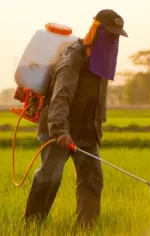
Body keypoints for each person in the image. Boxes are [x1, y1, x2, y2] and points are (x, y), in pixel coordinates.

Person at [23, 9, 128, 229]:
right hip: (59, 128)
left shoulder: (102, 61)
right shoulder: (73, 59)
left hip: (86, 131)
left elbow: (98, 100)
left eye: (116, 35)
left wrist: (97, 128)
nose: (113, 38)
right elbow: (61, 97)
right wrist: (61, 130)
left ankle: (85, 229)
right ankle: (31, 226)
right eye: (109, 33)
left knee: (92, 179)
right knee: (50, 177)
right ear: (95, 30)